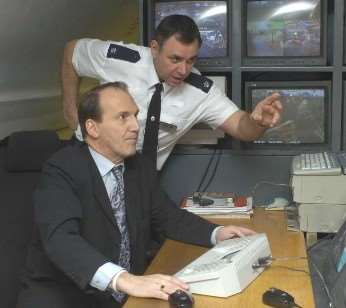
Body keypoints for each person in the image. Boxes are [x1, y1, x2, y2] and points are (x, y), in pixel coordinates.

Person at [17, 82, 255, 308]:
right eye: (123, 117)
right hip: (68, 296)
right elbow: (61, 240)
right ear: (92, 128)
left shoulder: (138, 166)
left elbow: (167, 217)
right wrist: (124, 279)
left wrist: (217, 233)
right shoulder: (61, 169)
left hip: (121, 295)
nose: (135, 125)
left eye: (134, 115)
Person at [62, 14, 282, 170]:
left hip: (141, 177)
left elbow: (242, 127)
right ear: (155, 49)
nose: (183, 70)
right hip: (88, 160)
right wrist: (70, 113)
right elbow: (73, 51)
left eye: (191, 60)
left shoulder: (200, 91)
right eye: (175, 59)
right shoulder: (121, 58)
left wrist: (258, 122)